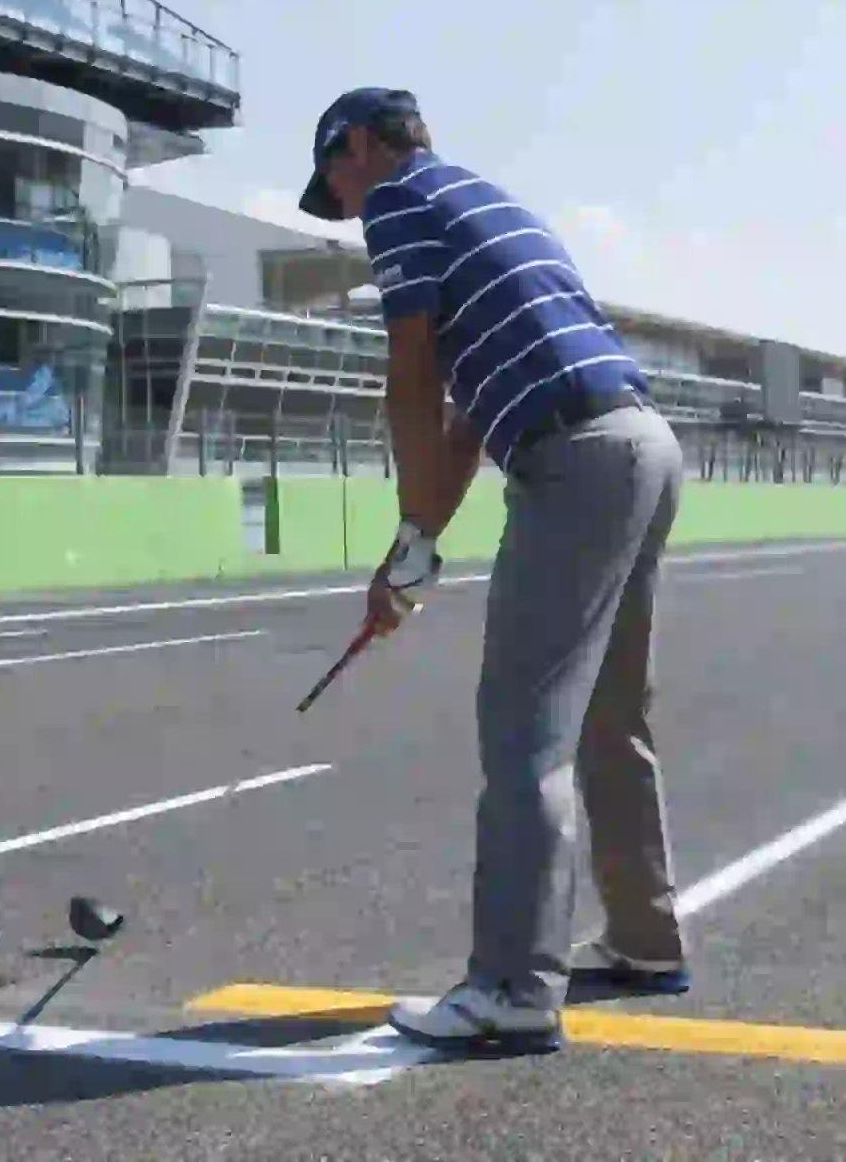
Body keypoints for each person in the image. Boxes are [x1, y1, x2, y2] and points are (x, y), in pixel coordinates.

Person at [298, 88, 692, 1054]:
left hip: (578, 459)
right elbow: (469, 421)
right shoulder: (485, 204)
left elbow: (413, 377)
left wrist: (403, 546)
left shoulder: (401, 200)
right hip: (643, 443)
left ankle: (513, 987)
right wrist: (418, 552)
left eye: (335, 183)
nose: (344, 210)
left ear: (358, 146)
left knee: (523, 731)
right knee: (607, 716)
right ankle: (643, 938)